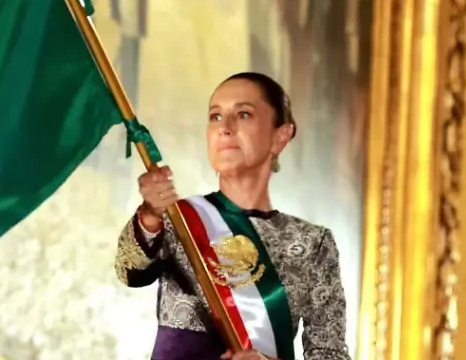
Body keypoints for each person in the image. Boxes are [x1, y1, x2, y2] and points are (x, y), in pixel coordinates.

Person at [114, 72, 350, 360]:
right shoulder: (178, 219)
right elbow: (129, 271)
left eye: (243, 114)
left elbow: (331, 354)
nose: (224, 128)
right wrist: (150, 214)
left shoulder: (313, 244)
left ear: (280, 136)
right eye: (215, 116)